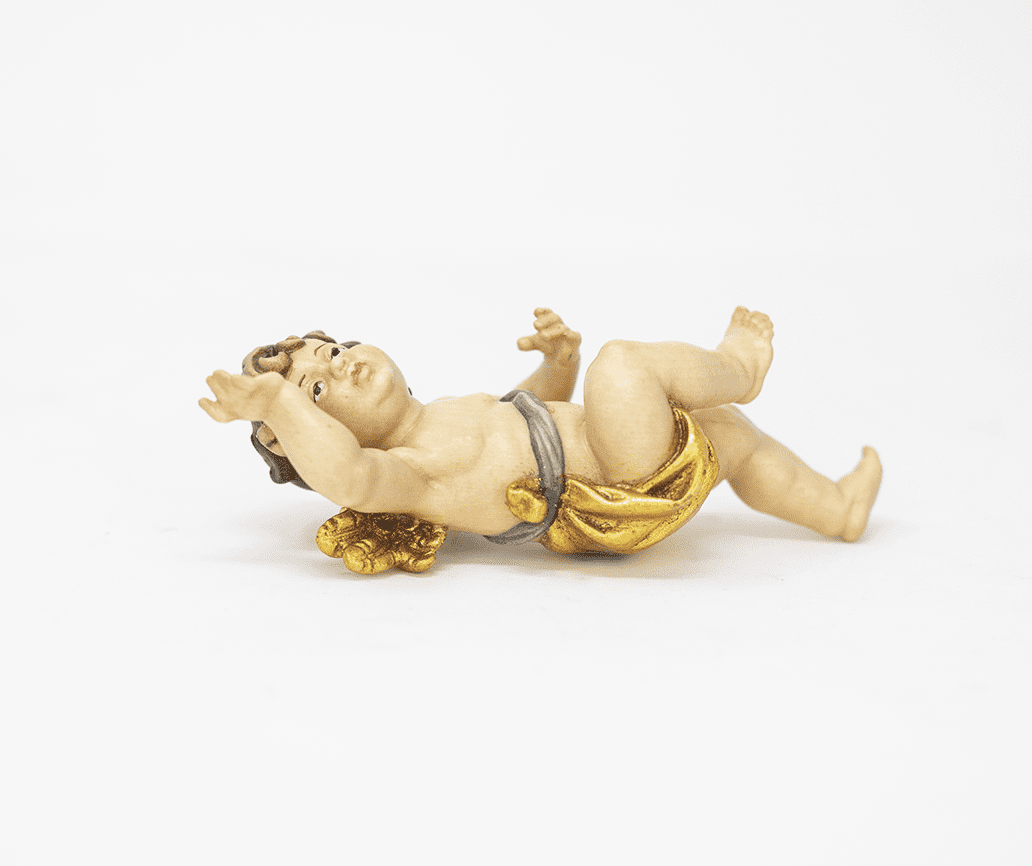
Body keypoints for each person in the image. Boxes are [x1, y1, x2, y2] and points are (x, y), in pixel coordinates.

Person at [200, 307, 881, 573]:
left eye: (332, 350)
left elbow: (531, 420)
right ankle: (739, 369)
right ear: (312, 436)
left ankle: (835, 508)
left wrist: (559, 363)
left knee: (731, 434)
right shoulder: (410, 473)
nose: (341, 365)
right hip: (609, 493)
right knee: (621, 366)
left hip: (616, 463)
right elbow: (350, 476)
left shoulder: (443, 415)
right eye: (318, 391)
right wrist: (280, 406)